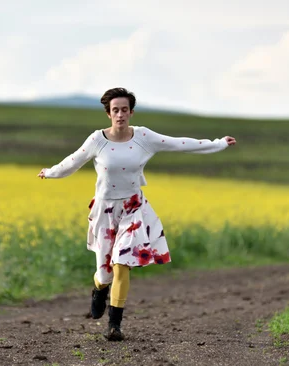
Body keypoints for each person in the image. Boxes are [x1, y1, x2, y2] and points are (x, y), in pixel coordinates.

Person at [38, 87, 236, 341]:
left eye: (124, 110)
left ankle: (114, 325)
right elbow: (73, 161)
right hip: (105, 211)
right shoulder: (97, 140)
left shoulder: (144, 137)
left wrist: (218, 144)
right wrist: (50, 171)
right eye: (115, 110)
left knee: (122, 264)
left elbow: (180, 143)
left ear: (131, 112)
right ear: (108, 114)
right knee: (106, 272)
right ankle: (99, 288)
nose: (120, 115)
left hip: (133, 208)